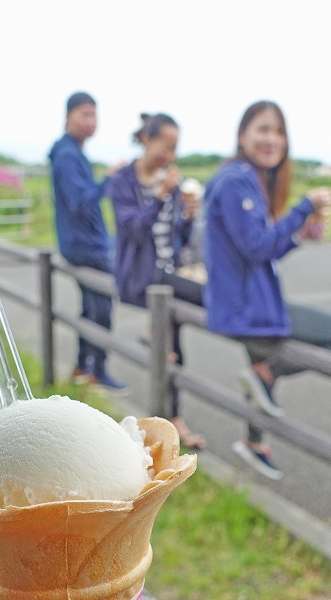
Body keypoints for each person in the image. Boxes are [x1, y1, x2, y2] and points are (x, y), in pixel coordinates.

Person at [204, 100, 331, 480]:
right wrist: (303, 208)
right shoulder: (238, 181)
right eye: (263, 129)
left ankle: (255, 443)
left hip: (246, 301)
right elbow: (258, 247)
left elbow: (261, 249)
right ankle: (267, 378)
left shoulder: (244, 178)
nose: (272, 139)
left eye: (278, 132)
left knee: (257, 365)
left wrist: (298, 236)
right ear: (243, 136)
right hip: (246, 307)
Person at [109, 113, 206, 449]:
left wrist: (189, 217)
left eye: (175, 149)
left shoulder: (172, 184)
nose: (170, 156)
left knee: (173, 348)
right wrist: (161, 196)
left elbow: (176, 236)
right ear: (147, 140)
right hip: (142, 278)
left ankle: (168, 424)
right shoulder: (123, 180)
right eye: (166, 147)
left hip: (169, 275)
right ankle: (170, 423)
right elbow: (133, 229)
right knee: (199, 307)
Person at [48, 91, 127, 392]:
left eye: (94, 115)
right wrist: (109, 179)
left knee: (91, 308)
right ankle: (99, 370)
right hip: (85, 247)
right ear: (68, 117)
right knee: (102, 308)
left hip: (80, 244)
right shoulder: (68, 156)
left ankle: (83, 367)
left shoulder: (70, 151)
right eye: (84, 114)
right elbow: (80, 201)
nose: (91, 122)